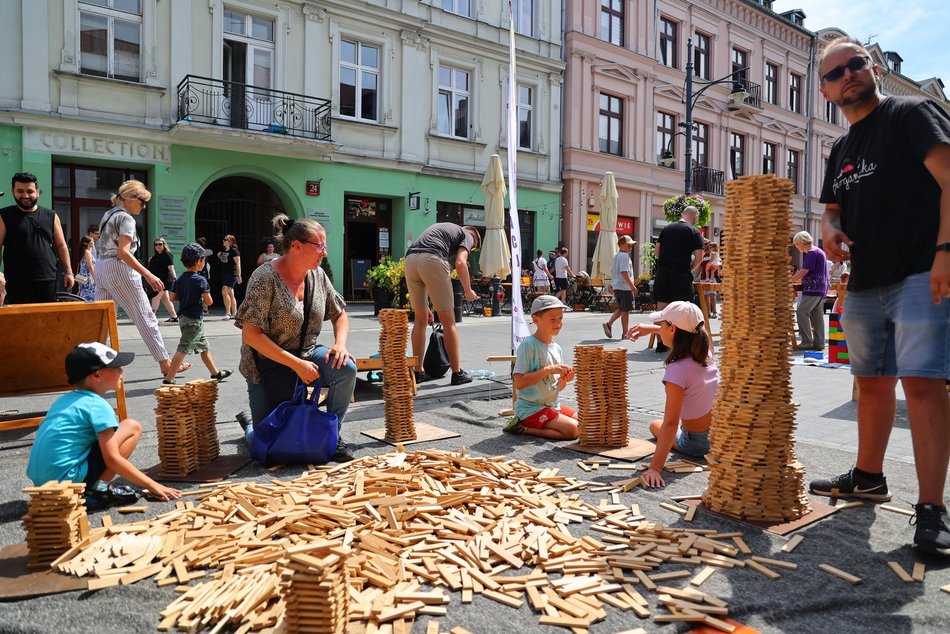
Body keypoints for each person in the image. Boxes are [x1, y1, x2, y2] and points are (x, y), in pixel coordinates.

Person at [808, 36, 950, 556]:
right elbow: (829, 207)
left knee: (923, 386)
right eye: (835, 72)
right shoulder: (842, 148)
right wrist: (828, 224)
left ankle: (932, 508)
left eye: (856, 64)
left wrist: (946, 251)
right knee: (870, 384)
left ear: (875, 69)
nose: (847, 74)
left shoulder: (912, 114)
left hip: (919, 271)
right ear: (825, 90)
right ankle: (868, 477)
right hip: (866, 280)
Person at [235, 214, 357, 463]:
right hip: (266, 365)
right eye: (319, 246)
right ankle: (249, 426)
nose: (324, 252)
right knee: (267, 449)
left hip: (306, 354)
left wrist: (340, 345)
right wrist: (295, 365)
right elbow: (251, 335)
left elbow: (340, 314)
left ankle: (333, 436)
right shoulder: (264, 278)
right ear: (297, 246)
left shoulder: (318, 276)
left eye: (325, 245)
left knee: (346, 368)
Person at [26, 342, 182, 510]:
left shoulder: (65, 400)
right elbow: (112, 459)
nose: (122, 372)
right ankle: (96, 491)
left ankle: (90, 487)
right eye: (116, 368)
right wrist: (153, 485)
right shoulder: (98, 405)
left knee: (121, 429)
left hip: (41, 484)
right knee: (132, 427)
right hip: (66, 483)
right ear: (97, 375)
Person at [94, 180, 190, 378]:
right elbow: (123, 252)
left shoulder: (108, 214)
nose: (144, 206)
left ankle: (93, 365)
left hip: (101, 267)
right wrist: (148, 274)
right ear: (129, 198)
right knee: (145, 316)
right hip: (118, 268)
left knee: (101, 319)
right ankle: (166, 365)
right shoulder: (126, 219)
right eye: (142, 201)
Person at [625, 302, 718, 488]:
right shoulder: (706, 352)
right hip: (721, 437)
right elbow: (694, 331)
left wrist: (655, 468)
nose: (659, 328)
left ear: (673, 329)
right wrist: (652, 329)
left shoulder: (677, 370)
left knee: (655, 425)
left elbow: (670, 423)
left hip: (698, 444)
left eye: (661, 325)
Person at [405, 222, 480, 386]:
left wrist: (427, 307)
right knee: (448, 321)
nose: (469, 249)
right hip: (432, 259)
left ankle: (418, 372)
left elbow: (424, 257)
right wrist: (468, 290)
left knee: (420, 319)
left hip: (410, 260)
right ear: (473, 237)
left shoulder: (444, 229)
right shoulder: (466, 235)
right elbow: (461, 263)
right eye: (472, 247)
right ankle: (457, 373)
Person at [503, 295, 579, 440]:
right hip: (530, 409)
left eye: (560, 318)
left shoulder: (557, 348)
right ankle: (522, 428)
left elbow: (555, 388)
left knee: (585, 423)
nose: (558, 323)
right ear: (536, 319)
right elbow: (518, 382)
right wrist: (549, 370)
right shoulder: (528, 345)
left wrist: (565, 379)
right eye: (552, 319)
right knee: (574, 430)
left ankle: (533, 426)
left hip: (551, 405)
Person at [163, 243, 232, 385]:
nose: (205, 262)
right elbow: (209, 301)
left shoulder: (180, 279)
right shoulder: (201, 280)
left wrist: (186, 295)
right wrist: (201, 298)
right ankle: (168, 379)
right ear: (199, 261)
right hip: (194, 320)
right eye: (204, 259)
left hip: (184, 319)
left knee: (204, 347)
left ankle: (215, 373)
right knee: (182, 349)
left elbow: (172, 298)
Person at [0, 172, 74, 304]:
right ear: (13, 192)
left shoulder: (51, 215)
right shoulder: (4, 215)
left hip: (47, 279)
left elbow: (61, 245)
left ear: (37, 192)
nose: (25, 195)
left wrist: (69, 271)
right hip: (17, 280)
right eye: (20, 191)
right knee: (21, 322)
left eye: (30, 191)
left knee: (47, 321)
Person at [653, 205, 705, 353]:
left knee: (662, 307)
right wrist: (690, 269)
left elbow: (657, 252)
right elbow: (699, 257)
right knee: (684, 309)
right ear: (694, 217)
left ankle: (661, 343)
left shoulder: (667, 229)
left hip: (663, 272)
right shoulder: (694, 231)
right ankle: (682, 345)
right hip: (681, 273)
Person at [790, 231, 829, 351]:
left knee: (801, 311)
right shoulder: (819, 251)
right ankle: (819, 343)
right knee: (816, 316)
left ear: (802, 243)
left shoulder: (812, 253)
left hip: (814, 287)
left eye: (796, 244)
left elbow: (804, 271)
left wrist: (789, 280)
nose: (796, 247)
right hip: (820, 287)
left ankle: (807, 341)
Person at [602, 235, 639, 338]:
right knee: (625, 311)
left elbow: (615, 272)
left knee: (622, 308)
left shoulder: (616, 256)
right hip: (624, 287)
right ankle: (625, 333)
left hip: (618, 286)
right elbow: (624, 272)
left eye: (631, 246)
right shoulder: (624, 256)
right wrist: (632, 286)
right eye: (629, 246)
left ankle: (609, 324)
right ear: (621, 245)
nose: (630, 248)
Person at [148, 237, 179, 323]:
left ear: (164, 245)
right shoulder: (155, 256)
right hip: (156, 281)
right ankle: (174, 317)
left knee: (155, 298)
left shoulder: (167, 255)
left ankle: (151, 318)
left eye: (160, 244)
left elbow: (171, 268)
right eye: (156, 244)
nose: (158, 246)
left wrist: (175, 279)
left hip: (162, 281)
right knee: (166, 299)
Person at [217, 234, 242, 319]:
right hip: (224, 274)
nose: (223, 241)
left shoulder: (234, 251)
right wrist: (219, 255)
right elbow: (224, 260)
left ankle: (228, 313)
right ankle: (235, 313)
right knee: (231, 294)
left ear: (230, 242)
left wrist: (239, 275)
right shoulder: (223, 250)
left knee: (224, 292)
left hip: (232, 274)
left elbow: (238, 264)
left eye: (225, 240)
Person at [701, 242, 721, 318]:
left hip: (712, 277)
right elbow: (701, 267)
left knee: (712, 294)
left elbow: (719, 264)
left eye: (711, 246)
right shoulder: (704, 255)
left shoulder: (715, 254)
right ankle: (707, 312)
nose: (709, 248)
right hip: (704, 277)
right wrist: (697, 276)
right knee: (705, 295)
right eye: (708, 246)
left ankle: (714, 312)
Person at [75, 236, 97, 302]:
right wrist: (95, 279)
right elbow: (90, 267)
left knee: (83, 294)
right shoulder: (87, 253)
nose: (93, 242)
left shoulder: (84, 252)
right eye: (92, 241)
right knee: (89, 296)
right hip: (88, 278)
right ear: (88, 243)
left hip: (82, 277)